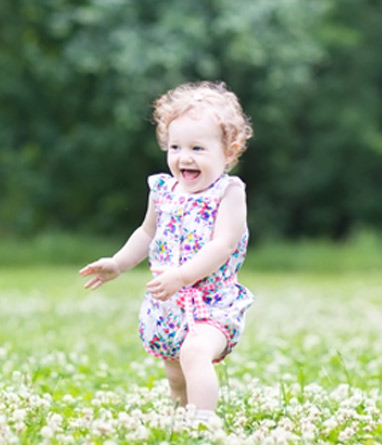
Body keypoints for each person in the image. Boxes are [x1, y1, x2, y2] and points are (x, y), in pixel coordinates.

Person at [79, 81, 254, 424]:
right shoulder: (162, 190)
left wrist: (183, 275)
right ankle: (179, 419)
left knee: (194, 352)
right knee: (176, 376)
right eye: (175, 146)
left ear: (229, 151)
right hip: (169, 303)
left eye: (198, 148)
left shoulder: (228, 193)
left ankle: (202, 423)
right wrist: (118, 263)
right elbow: (147, 232)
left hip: (212, 301)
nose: (184, 157)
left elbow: (224, 244)